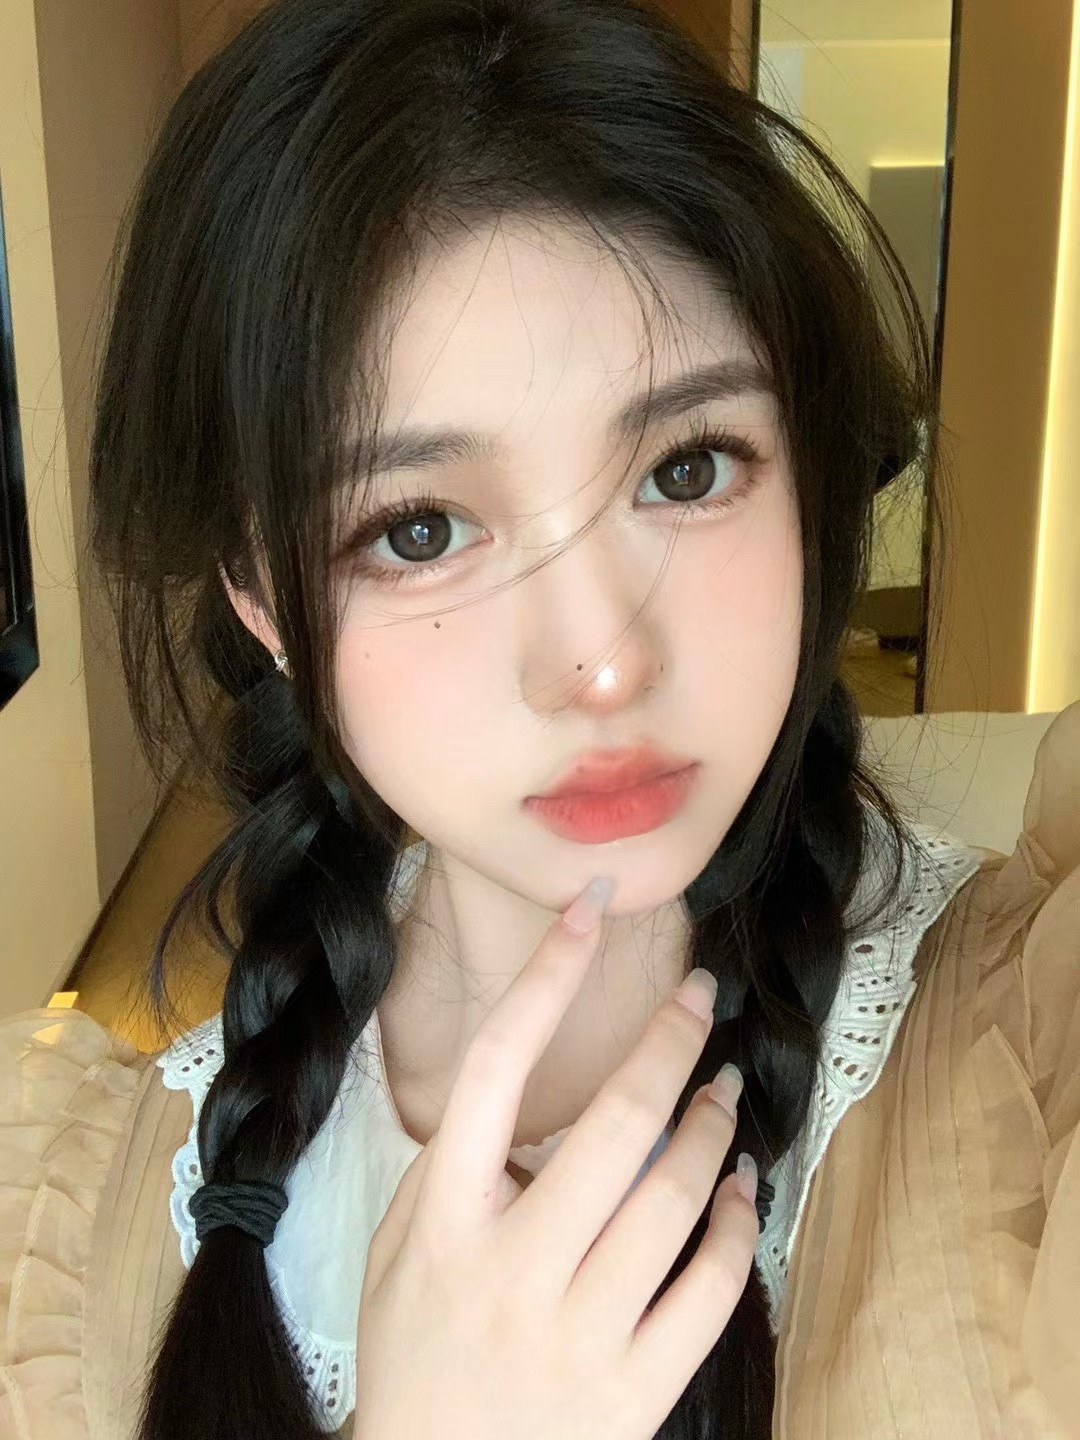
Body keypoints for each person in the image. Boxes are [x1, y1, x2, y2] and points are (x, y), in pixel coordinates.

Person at [1, 0, 1077, 1436]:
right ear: (261, 601)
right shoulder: (67, 1236)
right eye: (421, 528)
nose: (602, 665)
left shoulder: (1031, 1052)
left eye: (688, 469)